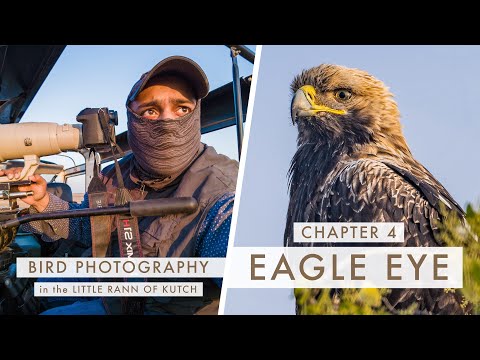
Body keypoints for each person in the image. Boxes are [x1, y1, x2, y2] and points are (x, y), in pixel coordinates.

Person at [0, 56, 239, 315]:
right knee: (36, 284)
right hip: (111, 280)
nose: (168, 122)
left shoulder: (222, 187)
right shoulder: (118, 173)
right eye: (151, 110)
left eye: (182, 108)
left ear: (196, 113)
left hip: (154, 307)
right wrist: (42, 202)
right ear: (133, 120)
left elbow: (236, 250)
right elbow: (90, 226)